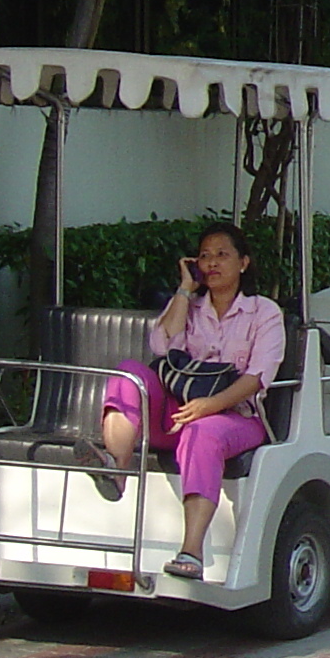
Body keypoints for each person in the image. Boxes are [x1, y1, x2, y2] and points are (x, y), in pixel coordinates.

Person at [85, 222, 286, 580]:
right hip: (177, 413)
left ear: (243, 263)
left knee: (203, 433)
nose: (212, 263)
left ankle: (191, 552)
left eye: (222, 255)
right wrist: (183, 289)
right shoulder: (190, 306)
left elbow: (256, 378)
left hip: (235, 418)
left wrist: (210, 406)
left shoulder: (264, 312)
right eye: (204, 256)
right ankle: (116, 470)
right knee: (128, 373)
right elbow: (162, 346)